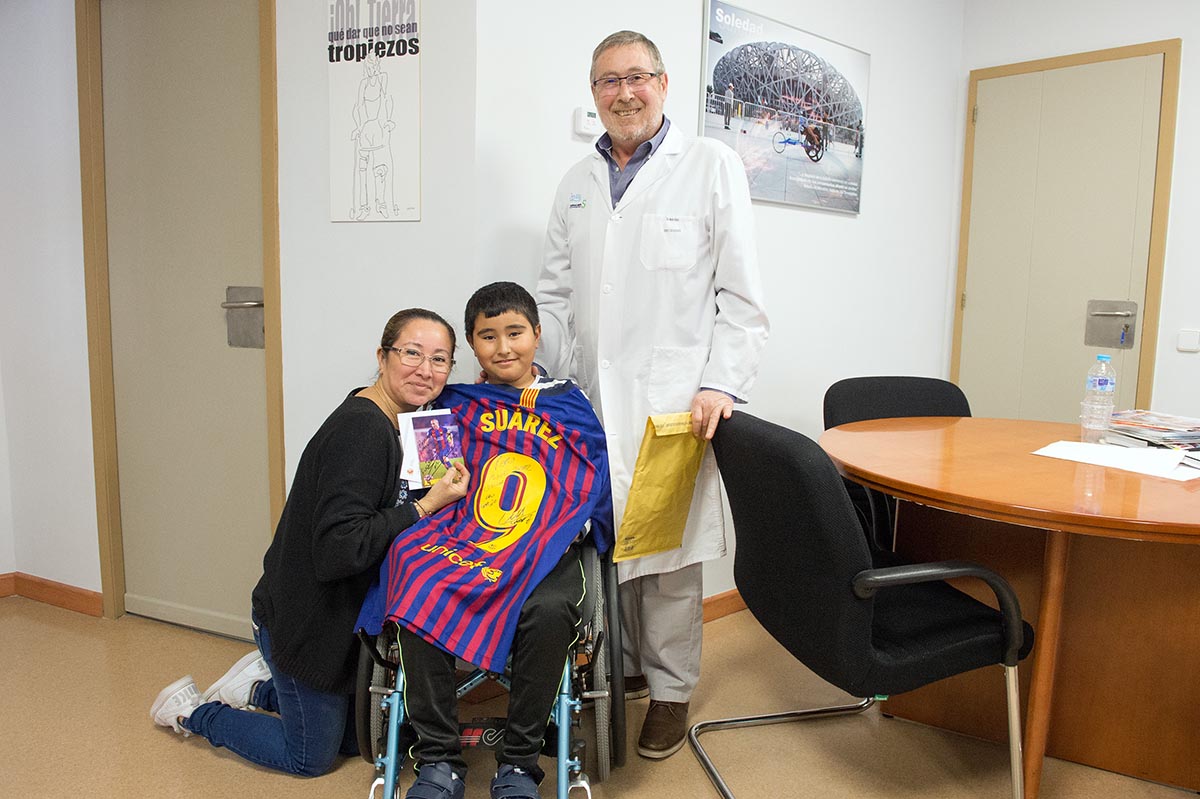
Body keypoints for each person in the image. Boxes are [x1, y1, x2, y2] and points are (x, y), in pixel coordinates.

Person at [536, 30, 769, 760]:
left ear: (664, 85)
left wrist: (719, 382)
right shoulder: (576, 181)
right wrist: (539, 379)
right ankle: (628, 666)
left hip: (672, 406)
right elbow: (554, 294)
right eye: (608, 81)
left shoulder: (709, 166)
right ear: (594, 93)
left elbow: (742, 295)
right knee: (606, 548)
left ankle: (670, 693)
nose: (623, 92)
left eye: (637, 77)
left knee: (667, 563)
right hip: (589, 406)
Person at [150, 308, 470, 777]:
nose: (426, 369)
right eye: (412, 353)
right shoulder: (362, 430)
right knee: (311, 758)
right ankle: (190, 711)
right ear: (382, 357)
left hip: (341, 619)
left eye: (440, 360)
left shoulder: (406, 420)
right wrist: (425, 506)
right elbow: (340, 548)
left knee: (355, 739)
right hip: (304, 621)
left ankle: (257, 690)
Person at [357, 281, 613, 799]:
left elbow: (591, 482)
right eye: (488, 336)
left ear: (537, 335)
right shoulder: (450, 402)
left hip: (539, 543)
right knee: (416, 577)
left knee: (551, 607)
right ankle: (438, 760)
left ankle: (519, 763)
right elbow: (426, 484)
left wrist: (565, 527)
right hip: (466, 535)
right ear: (472, 345)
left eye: (515, 333)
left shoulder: (569, 402)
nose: (504, 348)